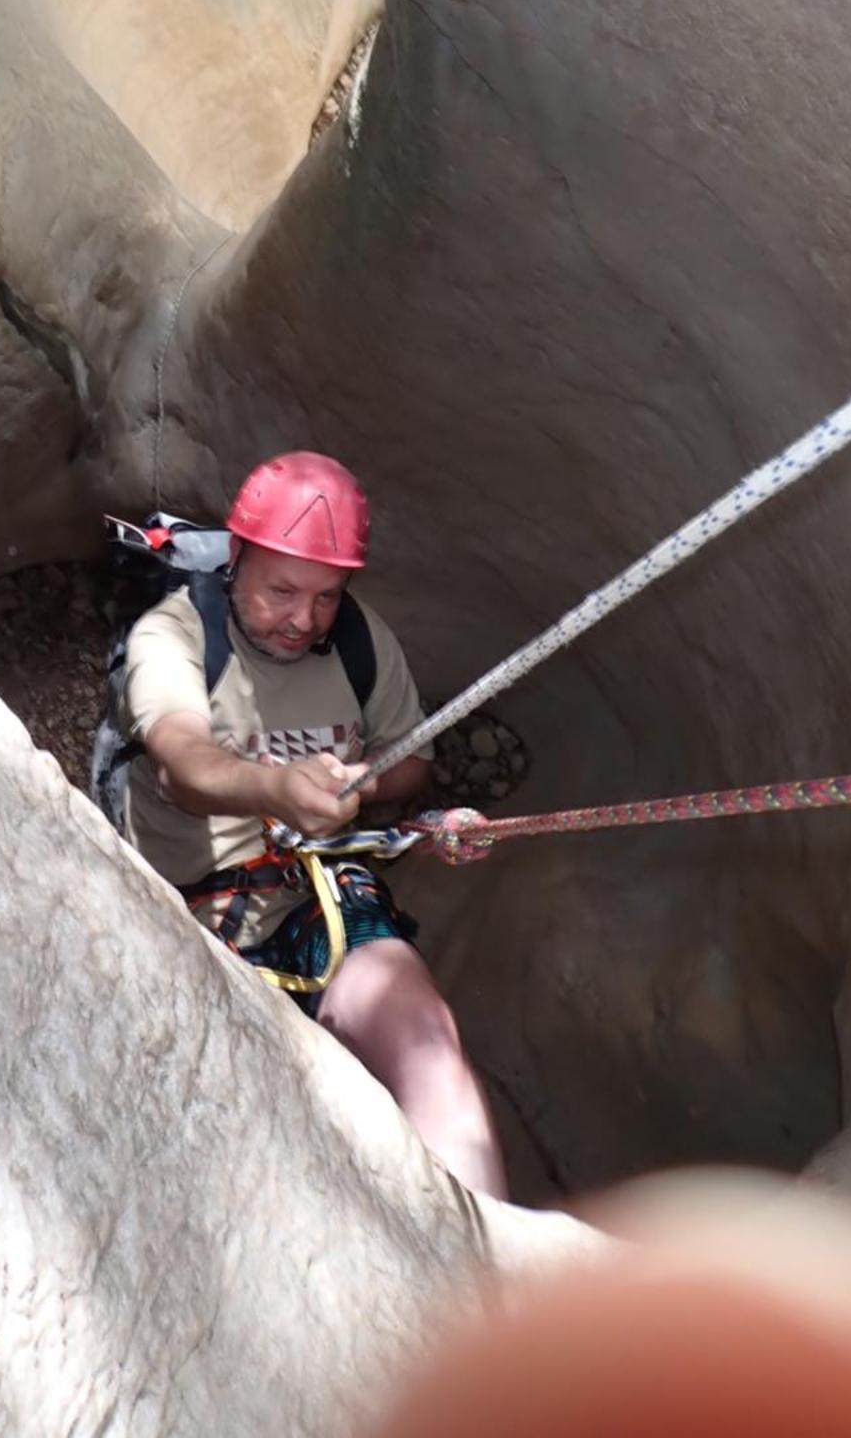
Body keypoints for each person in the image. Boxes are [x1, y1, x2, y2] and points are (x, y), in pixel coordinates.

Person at [123, 450, 506, 1196]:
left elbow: (412, 763)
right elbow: (180, 765)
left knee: (428, 1044)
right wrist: (275, 788)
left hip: (322, 892)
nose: (305, 619)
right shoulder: (174, 637)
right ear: (236, 559)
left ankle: (493, 1259)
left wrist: (357, 784)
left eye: (327, 596)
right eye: (282, 591)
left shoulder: (359, 640)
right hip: (194, 903)